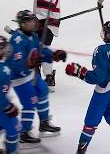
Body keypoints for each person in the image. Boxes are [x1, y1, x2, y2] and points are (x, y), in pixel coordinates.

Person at [65, 21, 110, 154]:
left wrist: (80, 72)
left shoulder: (101, 50)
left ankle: (81, 148)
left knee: (92, 120)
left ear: (109, 34)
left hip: (104, 91)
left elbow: (98, 77)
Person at [7, 10, 66, 144]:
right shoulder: (17, 40)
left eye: (33, 20)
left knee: (43, 90)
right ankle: (24, 132)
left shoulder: (32, 35)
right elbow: (15, 63)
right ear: (22, 24)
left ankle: (44, 122)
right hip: (18, 77)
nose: (33, 23)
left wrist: (53, 55)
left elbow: (41, 50)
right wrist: (30, 62)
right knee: (30, 101)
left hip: (29, 74)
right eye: (29, 22)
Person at [33, 0, 62, 92]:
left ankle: (39, 78)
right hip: (52, 21)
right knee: (44, 48)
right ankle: (49, 78)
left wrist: (38, 20)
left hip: (43, 21)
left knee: (37, 49)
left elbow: (43, 4)